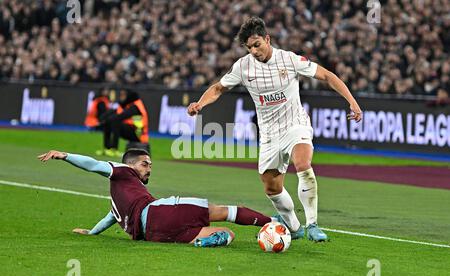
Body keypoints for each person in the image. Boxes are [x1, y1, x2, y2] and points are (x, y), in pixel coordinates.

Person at [187, 17, 363, 242]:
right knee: (271, 187)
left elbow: (327, 76)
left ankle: (313, 225)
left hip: (295, 124)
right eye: (249, 47)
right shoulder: (243, 66)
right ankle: (294, 226)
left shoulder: (289, 60)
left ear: (267, 39)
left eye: (257, 44)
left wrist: (352, 102)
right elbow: (219, 88)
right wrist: (200, 104)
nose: (253, 50)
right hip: (269, 134)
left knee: (302, 163)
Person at [37, 149, 274, 247]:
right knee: (226, 211)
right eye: (145, 164)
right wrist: (65, 155)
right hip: (158, 211)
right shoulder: (122, 171)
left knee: (227, 235)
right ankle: (272, 223)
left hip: (153, 235)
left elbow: (109, 218)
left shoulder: (119, 198)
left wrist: (91, 233)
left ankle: (208, 241)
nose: (149, 168)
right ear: (129, 164)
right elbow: (94, 164)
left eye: (150, 165)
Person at [96, 89, 149, 157]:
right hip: (132, 130)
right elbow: (114, 112)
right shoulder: (127, 104)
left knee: (115, 122)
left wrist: (105, 121)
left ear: (128, 96)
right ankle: (107, 149)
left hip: (139, 135)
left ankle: (114, 149)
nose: (121, 97)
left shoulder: (135, 106)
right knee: (109, 122)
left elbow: (121, 116)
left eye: (123, 95)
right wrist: (103, 119)